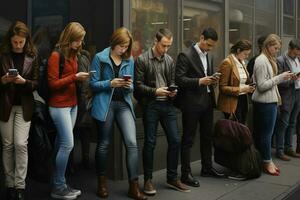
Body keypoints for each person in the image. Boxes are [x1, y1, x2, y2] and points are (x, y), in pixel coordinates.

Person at [89, 27, 146, 200]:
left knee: (131, 143)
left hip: (123, 104)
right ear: (114, 43)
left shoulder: (129, 60)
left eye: (126, 46)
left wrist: (129, 87)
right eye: (121, 46)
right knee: (104, 144)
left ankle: (133, 186)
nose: (123, 49)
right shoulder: (99, 57)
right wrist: (110, 83)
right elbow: (92, 84)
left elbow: (133, 86)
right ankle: (102, 184)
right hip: (106, 104)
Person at [134, 28, 190, 195]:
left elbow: (172, 81)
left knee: (175, 140)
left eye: (169, 46)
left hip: (167, 104)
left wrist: (173, 91)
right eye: (164, 45)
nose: (166, 49)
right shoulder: (142, 60)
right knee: (150, 143)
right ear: (155, 41)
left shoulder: (170, 60)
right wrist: (155, 91)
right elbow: (137, 87)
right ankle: (148, 181)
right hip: (150, 105)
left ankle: (172, 178)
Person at [175, 27, 224, 188]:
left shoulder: (209, 55)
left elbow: (206, 75)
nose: (210, 48)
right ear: (201, 38)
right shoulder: (185, 55)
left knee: (207, 137)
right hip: (191, 103)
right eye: (208, 45)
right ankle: (185, 174)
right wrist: (199, 81)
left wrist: (213, 79)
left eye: (212, 46)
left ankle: (207, 168)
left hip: (207, 101)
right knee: (188, 139)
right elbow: (180, 79)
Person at [48, 22, 90, 200]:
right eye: (77, 40)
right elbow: (52, 84)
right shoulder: (56, 56)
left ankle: (59, 182)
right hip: (59, 106)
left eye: (81, 40)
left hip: (73, 105)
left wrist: (81, 79)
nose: (80, 43)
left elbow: (70, 80)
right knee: (68, 144)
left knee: (60, 144)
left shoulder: (75, 55)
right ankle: (58, 187)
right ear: (69, 38)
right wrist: (74, 77)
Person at [0, 21, 39, 200]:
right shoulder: (2, 54)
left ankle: (20, 185)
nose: (17, 45)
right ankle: (9, 184)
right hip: (5, 105)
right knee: (8, 145)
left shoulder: (32, 55)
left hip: (24, 106)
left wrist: (24, 82)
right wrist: (4, 80)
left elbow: (37, 83)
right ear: (10, 40)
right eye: (15, 42)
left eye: (21, 42)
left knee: (21, 144)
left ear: (26, 41)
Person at [252, 34, 294, 176]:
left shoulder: (267, 59)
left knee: (267, 134)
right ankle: (267, 161)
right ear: (268, 46)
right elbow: (262, 86)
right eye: (275, 48)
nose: (277, 51)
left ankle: (266, 160)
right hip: (265, 102)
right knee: (266, 135)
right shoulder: (261, 61)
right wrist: (280, 77)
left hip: (270, 101)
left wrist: (282, 78)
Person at [217, 39, 255, 124]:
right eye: (245, 54)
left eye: (248, 54)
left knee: (242, 126)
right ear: (238, 51)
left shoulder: (242, 62)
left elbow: (244, 81)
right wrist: (241, 89)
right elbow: (222, 87)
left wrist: (250, 87)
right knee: (235, 130)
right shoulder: (227, 63)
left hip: (243, 99)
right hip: (231, 102)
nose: (247, 56)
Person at [274, 39, 300, 161]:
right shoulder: (280, 61)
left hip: (297, 93)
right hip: (287, 94)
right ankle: (280, 150)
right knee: (283, 123)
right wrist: (291, 79)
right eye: (295, 53)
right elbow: (278, 82)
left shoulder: (298, 59)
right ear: (289, 49)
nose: (296, 56)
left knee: (292, 123)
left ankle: (289, 148)